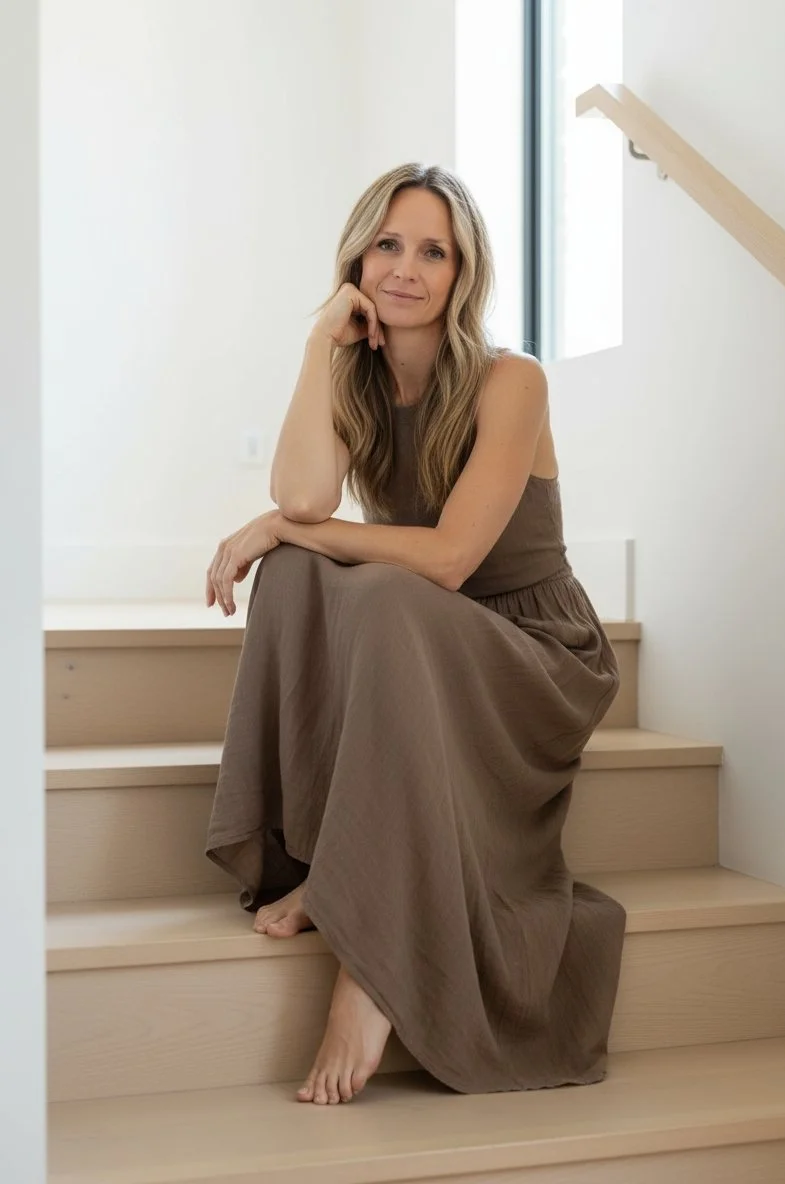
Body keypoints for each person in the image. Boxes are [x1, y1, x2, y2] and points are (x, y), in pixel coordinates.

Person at [204, 163, 627, 1108]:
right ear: (358, 256)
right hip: (430, 640)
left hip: (533, 651)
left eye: (433, 251)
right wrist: (321, 339)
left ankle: (372, 969)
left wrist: (283, 526)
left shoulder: (511, 380)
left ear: (461, 272)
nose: (407, 268)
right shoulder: (355, 377)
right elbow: (305, 498)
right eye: (389, 244)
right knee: (298, 574)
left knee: (379, 593)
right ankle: (329, 857)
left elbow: (447, 560)